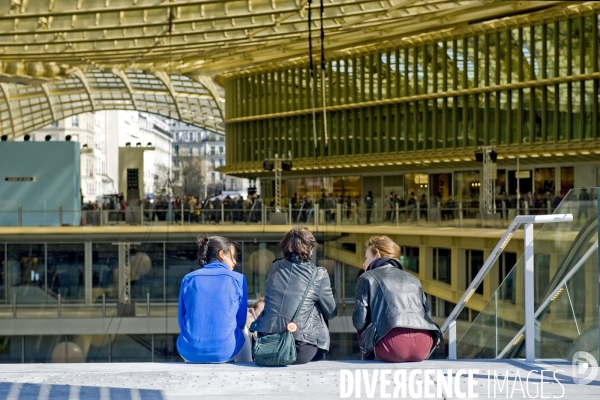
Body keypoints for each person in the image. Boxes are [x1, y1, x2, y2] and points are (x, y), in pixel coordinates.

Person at [250, 226, 337, 364]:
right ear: (310, 249)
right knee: (316, 304)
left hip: (266, 344)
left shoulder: (275, 267)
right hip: (298, 349)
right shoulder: (319, 274)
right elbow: (331, 312)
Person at [353, 236, 442, 362]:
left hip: (393, 347)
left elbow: (359, 322)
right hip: (424, 346)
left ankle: (368, 359)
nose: (364, 264)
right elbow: (427, 314)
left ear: (377, 255)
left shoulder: (366, 277)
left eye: (366, 258)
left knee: (364, 319)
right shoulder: (413, 279)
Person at [177, 236, 251, 363]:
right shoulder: (238, 279)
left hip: (189, 351)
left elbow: (181, 319)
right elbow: (240, 321)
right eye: (233, 256)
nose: (235, 262)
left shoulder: (189, 278)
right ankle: (247, 367)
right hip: (226, 352)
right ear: (221, 254)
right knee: (244, 330)